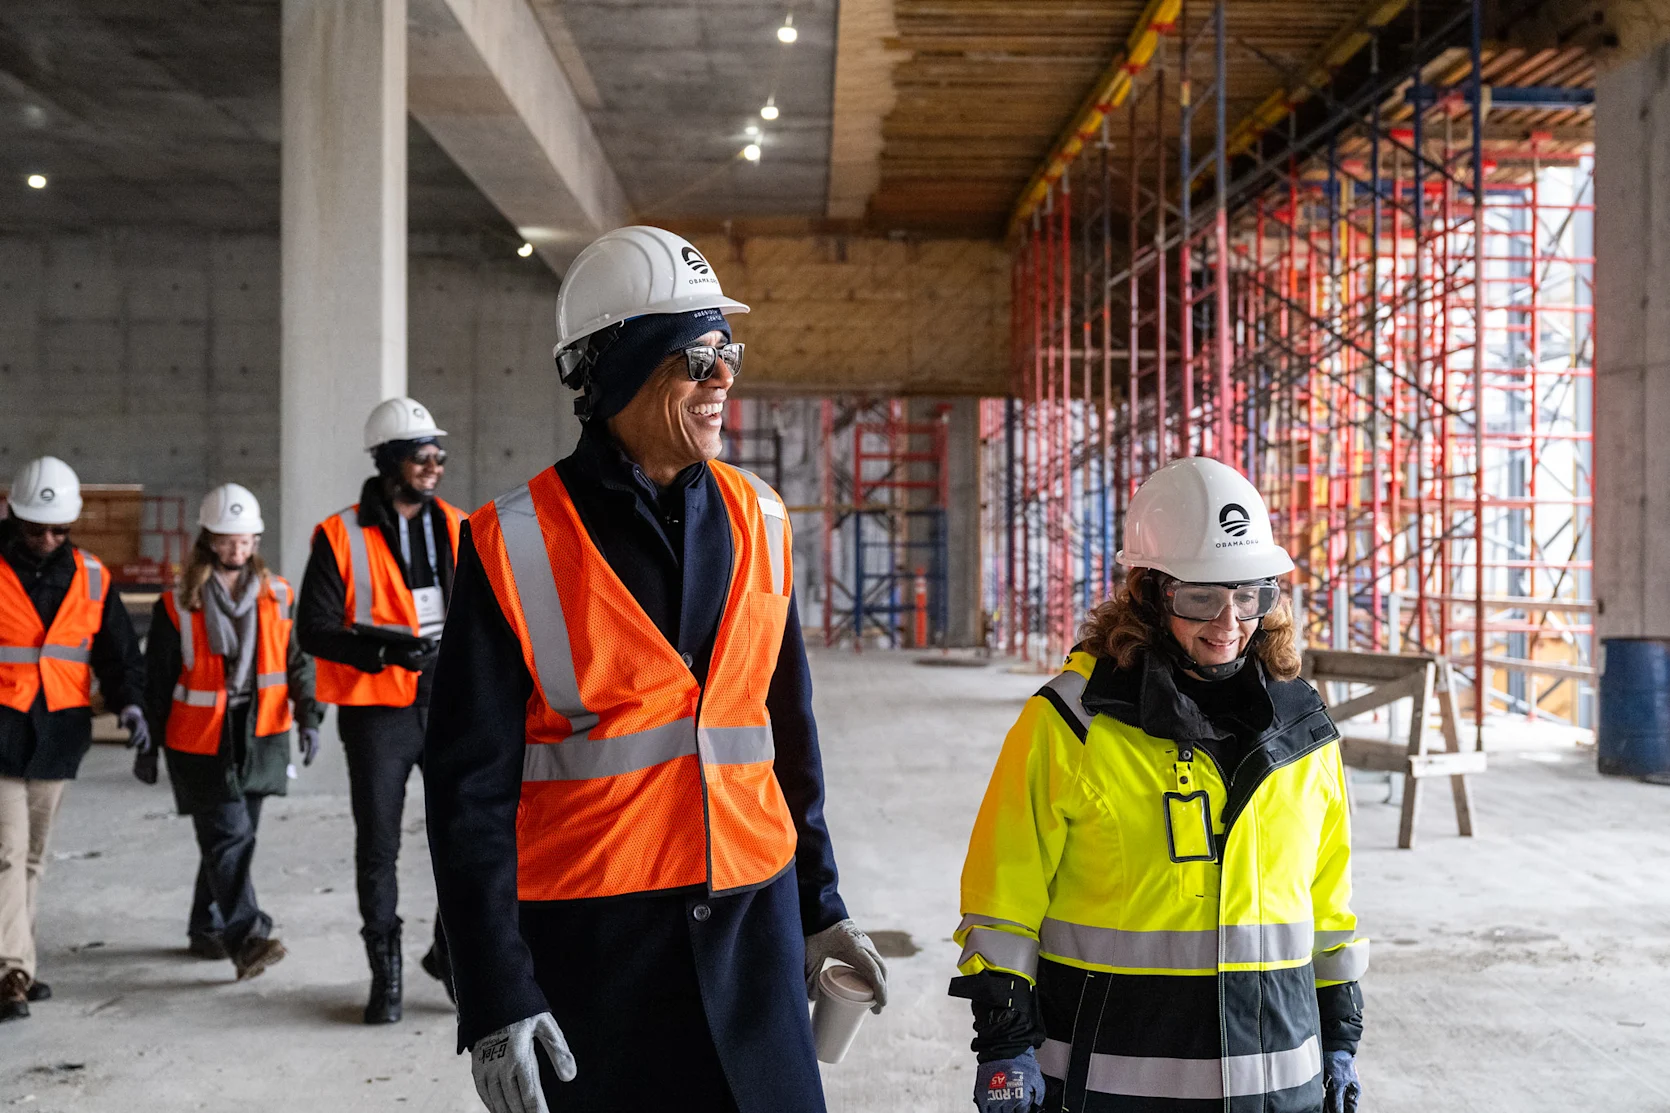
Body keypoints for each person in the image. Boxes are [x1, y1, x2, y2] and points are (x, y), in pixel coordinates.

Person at [425, 225, 887, 1113]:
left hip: (753, 930)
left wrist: (819, 902)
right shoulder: (512, 543)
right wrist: (495, 992)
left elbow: (787, 738)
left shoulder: (763, 520)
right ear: (623, 368)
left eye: (729, 353)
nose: (723, 380)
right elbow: (467, 793)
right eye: (697, 357)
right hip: (597, 956)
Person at [952, 457, 1367, 1113]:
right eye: (1201, 597)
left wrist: (1340, 1032)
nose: (1229, 620)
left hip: (1277, 1086)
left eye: (1250, 594)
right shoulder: (1072, 724)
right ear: (1150, 592)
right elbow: (1003, 894)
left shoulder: (1303, 730)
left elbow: (1330, 898)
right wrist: (1005, 1039)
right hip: (1112, 1087)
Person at [296, 397, 463, 1023]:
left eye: (438, 454)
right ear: (389, 460)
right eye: (422, 454)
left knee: (467, 836)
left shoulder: (458, 526)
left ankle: (448, 955)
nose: (434, 464)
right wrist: (386, 649)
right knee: (380, 846)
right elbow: (313, 630)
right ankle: (385, 975)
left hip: (448, 704)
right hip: (377, 714)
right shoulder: (339, 534)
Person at [141, 484, 320, 980]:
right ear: (209, 540)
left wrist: (310, 716)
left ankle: (206, 927)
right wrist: (148, 743)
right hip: (199, 738)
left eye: (245, 541)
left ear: (256, 540)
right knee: (229, 839)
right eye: (226, 541)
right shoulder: (178, 602)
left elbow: (297, 660)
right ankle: (248, 939)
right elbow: (156, 678)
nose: (236, 551)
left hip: (260, 735)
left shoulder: (278, 594)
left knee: (233, 843)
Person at [0, 456, 147, 1022]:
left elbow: (117, 653)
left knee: (33, 857)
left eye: (58, 529)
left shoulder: (90, 575)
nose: (46, 538)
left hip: (58, 733)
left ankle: (21, 964)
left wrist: (131, 702)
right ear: (14, 517)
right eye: (36, 528)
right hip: (2, 730)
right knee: (6, 854)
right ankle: (8, 968)